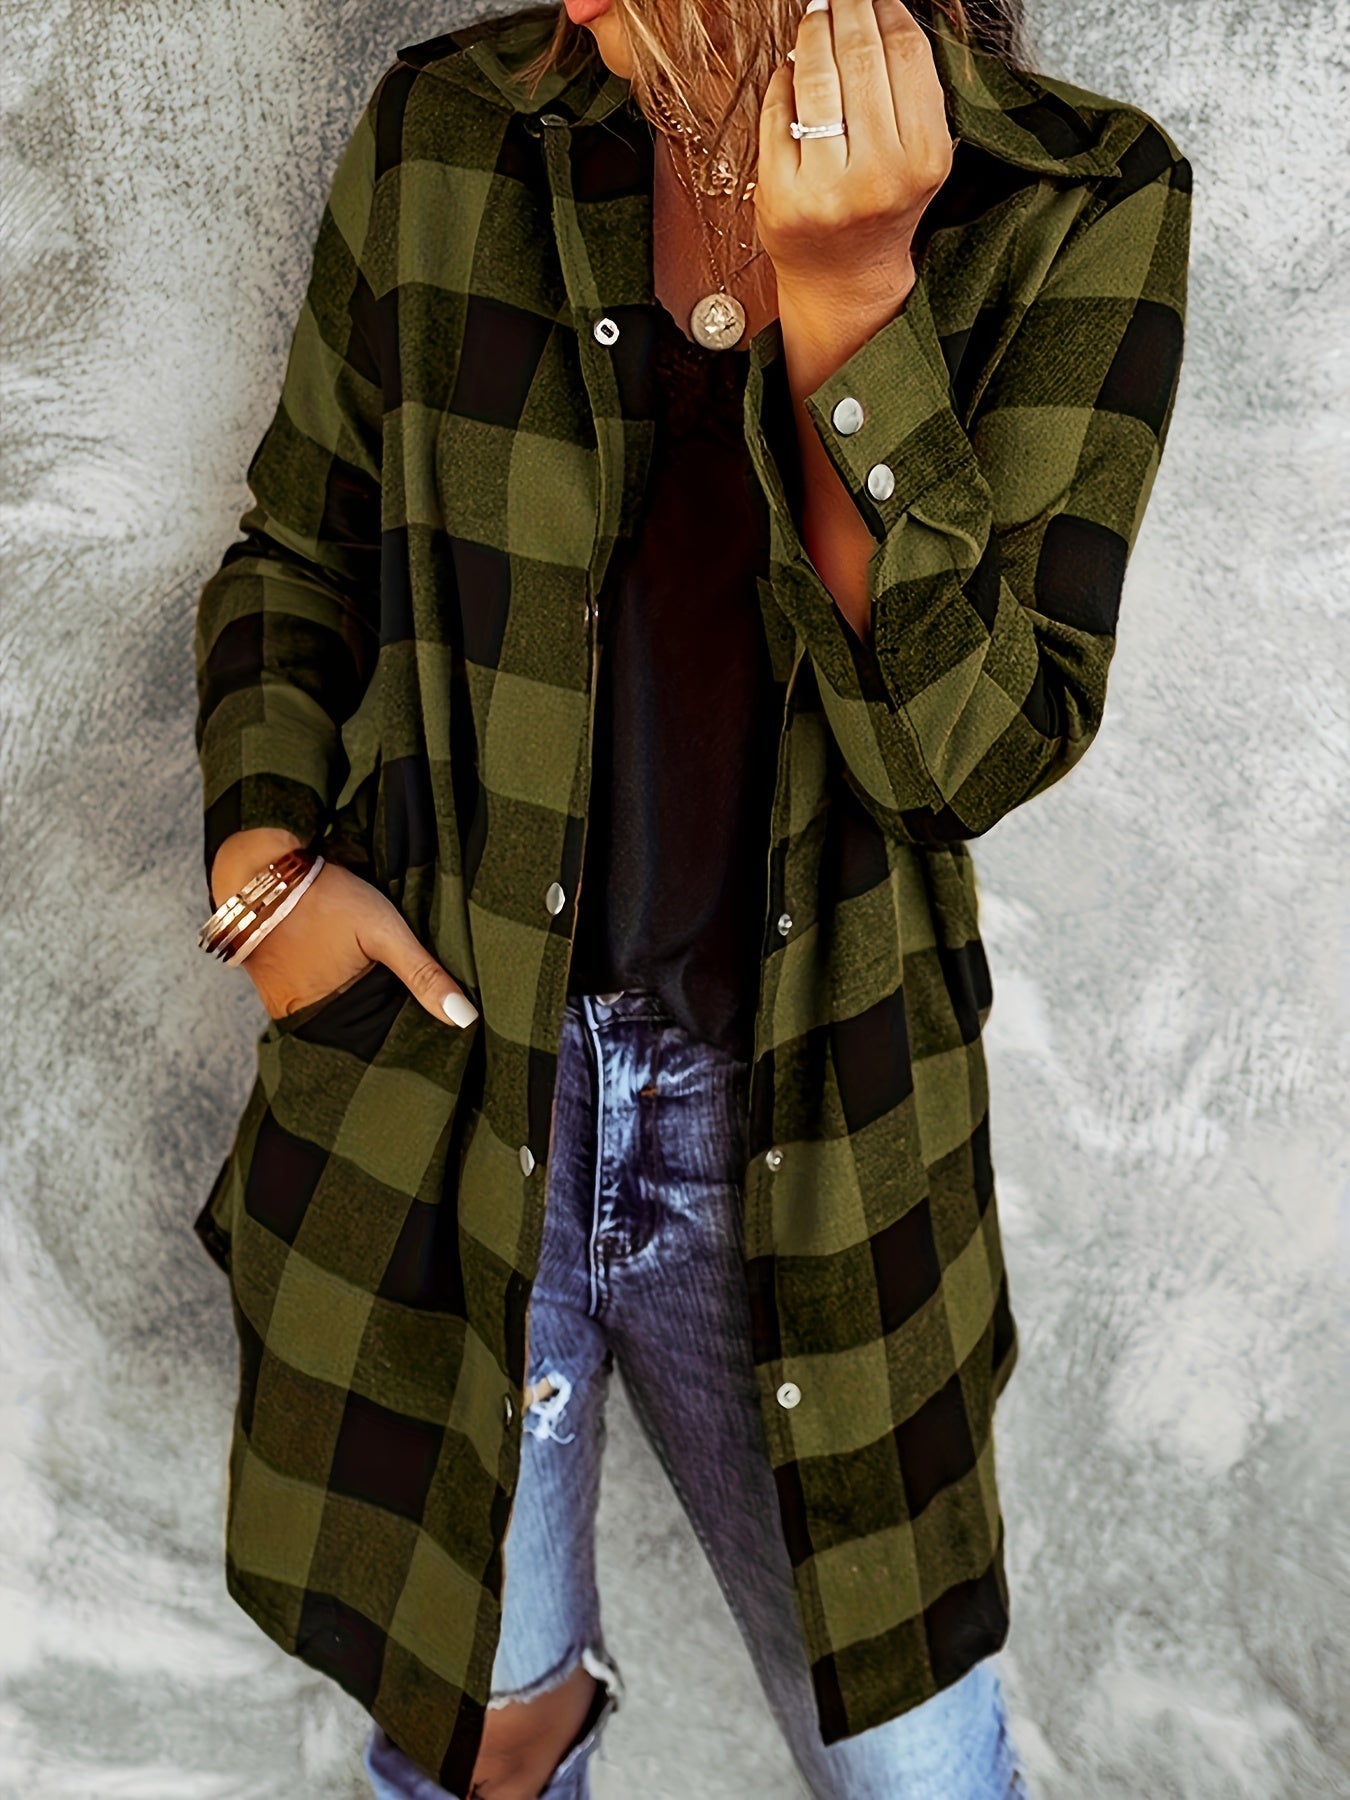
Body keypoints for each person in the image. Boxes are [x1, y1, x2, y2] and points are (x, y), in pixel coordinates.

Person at [190, 1, 1190, 1796]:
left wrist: (851, 298)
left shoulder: (1073, 197)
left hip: (811, 1139)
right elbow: (298, 551)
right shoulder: (451, 124)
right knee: (481, 1734)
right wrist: (265, 876)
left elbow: (963, 757)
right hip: (452, 1087)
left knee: (911, 1765)